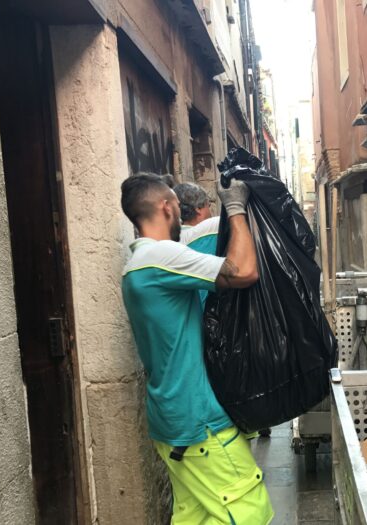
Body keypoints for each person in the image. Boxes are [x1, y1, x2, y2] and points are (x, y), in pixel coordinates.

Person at [120, 174, 273, 524]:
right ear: (167, 206)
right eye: (175, 202)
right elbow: (245, 271)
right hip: (200, 421)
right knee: (249, 511)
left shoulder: (136, 267)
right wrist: (234, 207)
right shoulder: (162, 256)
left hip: (171, 419)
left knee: (196, 518)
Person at [174, 182, 273, 439]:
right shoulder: (212, 230)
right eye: (208, 206)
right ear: (199, 209)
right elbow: (246, 266)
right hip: (224, 332)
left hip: (189, 338)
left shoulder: (169, 246)